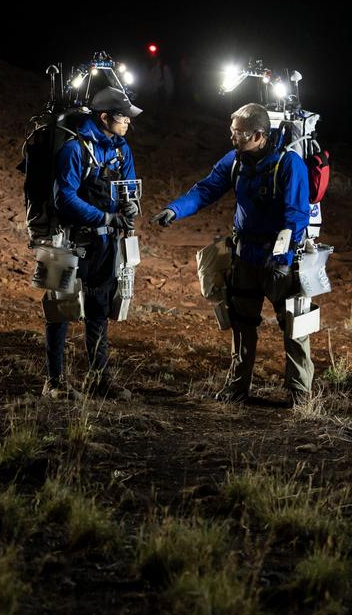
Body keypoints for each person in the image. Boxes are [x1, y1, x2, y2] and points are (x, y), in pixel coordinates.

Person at [154, 102, 314, 406]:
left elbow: (297, 216)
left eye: (238, 134)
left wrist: (283, 259)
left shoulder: (289, 164)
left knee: (294, 325)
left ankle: (300, 393)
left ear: (259, 135)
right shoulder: (235, 161)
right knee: (241, 323)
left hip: (278, 260)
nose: (232, 138)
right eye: (232, 132)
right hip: (245, 257)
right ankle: (238, 387)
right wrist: (175, 209)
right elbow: (205, 190)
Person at [43, 86, 141, 400]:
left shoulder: (122, 149)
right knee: (59, 310)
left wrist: (131, 207)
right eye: (122, 117)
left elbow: (130, 189)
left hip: (105, 244)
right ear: (104, 117)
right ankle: (54, 382)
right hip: (65, 240)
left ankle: (100, 379)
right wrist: (106, 218)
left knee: (99, 309)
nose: (127, 122)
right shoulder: (73, 149)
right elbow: (63, 199)